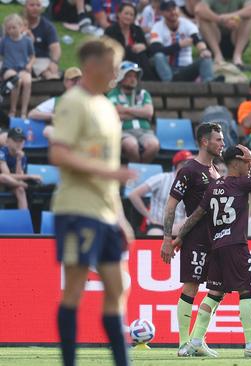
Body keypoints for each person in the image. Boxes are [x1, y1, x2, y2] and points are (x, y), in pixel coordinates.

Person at [49, 37, 136, 366]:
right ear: (93, 65)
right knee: (74, 289)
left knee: (119, 287)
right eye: (113, 63)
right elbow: (59, 154)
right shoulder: (74, 102)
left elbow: (109, 168)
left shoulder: (106, 107)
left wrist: (120, 216)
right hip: (76, 210)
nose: (117, 71)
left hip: (104, 212)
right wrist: (109, 174)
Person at [173, 145, 251, 358]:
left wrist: (180, 236)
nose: (250, 166)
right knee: (246, 290)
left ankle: (195, 341)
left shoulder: (213, 186)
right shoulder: (242, 183)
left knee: (214, 293)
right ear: (236, 163)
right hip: (235, 245)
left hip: (217, 247)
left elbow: (196, 215)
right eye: (247, 162)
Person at [160, 122, 224, 357]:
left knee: (219, 288)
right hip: (196, 237)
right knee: (191, 286)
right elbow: (170, 206)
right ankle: (183, 343)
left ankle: (198, 340)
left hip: (217, 237)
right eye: (218, 139)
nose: (222, 143)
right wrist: (168, 238)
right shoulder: (189, 170)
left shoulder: (215, 170)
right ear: (204, 142)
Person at [127, 150, 192, 236]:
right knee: (155, 235)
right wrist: (149, 216)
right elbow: (134, 195)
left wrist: (179, 226)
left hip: (180, 226)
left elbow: (193, 212)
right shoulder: (162, 178)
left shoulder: (192, 184)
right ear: (180, 164)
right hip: (158, 225)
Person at [107, 61, 160, 163]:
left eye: (135, 76)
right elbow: (114, 115)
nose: (133, 79)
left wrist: (125, 109)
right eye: (129, 76)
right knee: (131, 146)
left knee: (154, 145)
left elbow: (149, 112)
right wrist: (140, 113)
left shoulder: (143, 93)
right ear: (121, 78)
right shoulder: (113, 94)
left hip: (144, 131)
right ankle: (137, 172)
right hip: (124, 131)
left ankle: (140, 170)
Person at [150, 1, 214, 82]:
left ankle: (209, 84)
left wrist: (203, 50)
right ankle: (169, 85)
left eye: (174, 9)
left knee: (206, 57)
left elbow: (197, 39)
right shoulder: (157, 27)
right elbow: (155, 50)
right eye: (168, 10)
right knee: (158, 56)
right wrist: (178, 45)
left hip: (186, 69)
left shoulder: (187, 24)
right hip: (168, 68)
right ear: (162, 13)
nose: (173, 12)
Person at [195, 0, 251, 68]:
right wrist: (220, 20)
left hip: (235, 40)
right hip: (214, 40)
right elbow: (199, 9)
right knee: (202, 17)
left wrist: (230, 16)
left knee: (249, 17)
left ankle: (237, 56)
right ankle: (218, 55)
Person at [105, 3, 156, 81]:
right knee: (136, 54)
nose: (128, 17)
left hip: (137, 62)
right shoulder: (110, 30)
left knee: (142, 55)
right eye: (126, 14)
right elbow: (109, 51)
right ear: (118, 14)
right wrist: (131, 48)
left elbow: (149, 50)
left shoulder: (137, 30)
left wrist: (144, 46)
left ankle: (146, 80)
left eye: (131, 15)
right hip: (118, 61)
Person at [28, 67, 82, 139]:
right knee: (48, 130)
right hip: (63, 136)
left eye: (79, 80)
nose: (76, 83)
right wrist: (53, 116)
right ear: (65, 82)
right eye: (73, 80)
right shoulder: (56, 101)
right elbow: (32, 114)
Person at [1, 14, 35, 119]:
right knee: (16, 81)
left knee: (28, 81)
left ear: (21, 27)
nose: (11, 30)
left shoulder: (27, 41)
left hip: (23, 68)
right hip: (9, 68)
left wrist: (29, 65)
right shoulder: (5, 41)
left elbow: (32, 56)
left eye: (14, 27)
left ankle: (24, 112)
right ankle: (13, 110)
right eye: (9, 28)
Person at [0, 127, 41, 209]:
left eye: (21, 141)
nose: (19, 143)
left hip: (12, 184)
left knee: (20, 190)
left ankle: (24, 219)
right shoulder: (2, 152)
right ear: (7, 141)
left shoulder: (22, 156)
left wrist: (19, 160)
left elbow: (19, 177)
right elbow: (6, 175)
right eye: (15, 140)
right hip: (2, 184)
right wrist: (29, 176)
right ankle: (27, 186)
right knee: (2, 177)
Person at [24, 0, 60, 80]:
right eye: (32, 5)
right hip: (19, 58)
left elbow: (55, 47)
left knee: (48, 71)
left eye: (38, 5)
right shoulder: (17, 24)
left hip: (40, 59)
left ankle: (54, 84)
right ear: (25, 6)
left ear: (42, 8)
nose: (35, 8)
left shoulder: (48, 27)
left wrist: (54, 62)